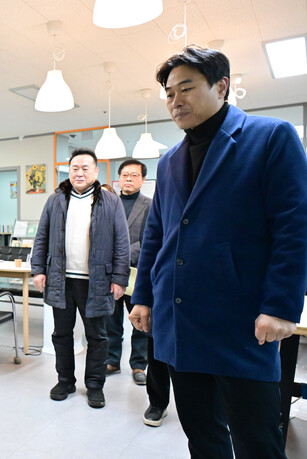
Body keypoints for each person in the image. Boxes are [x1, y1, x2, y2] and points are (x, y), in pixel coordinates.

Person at [129, 46, 307, 458]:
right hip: (180, 321)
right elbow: (157, 235)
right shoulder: (169, 161)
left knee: (257, 441)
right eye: (169, 94)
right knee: (203, 437)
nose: (175, 101)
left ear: (222, 86)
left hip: (241, 324)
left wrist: (281, 306)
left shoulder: (270, 137)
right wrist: (143, 297)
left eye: (186, 88)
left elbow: (294, 227)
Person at [31, 148, 130, 408]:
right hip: (61, 279)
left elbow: (122, 242)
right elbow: (41, 237)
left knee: (97, 336)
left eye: (86, 168)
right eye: (75, 168)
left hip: (96, 281)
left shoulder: (110, 201)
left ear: (96, 171)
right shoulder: (55, 199)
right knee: (61, 334)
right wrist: (38, 270)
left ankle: (95, 384)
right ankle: (65, 380)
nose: (79, 173)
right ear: (69, 170)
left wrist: (119, 278)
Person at [105, 159, 151, 385]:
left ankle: (138, 365)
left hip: (137, 273)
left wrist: (120, 253)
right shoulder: (108, 203)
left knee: (140, 320)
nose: (129, 179)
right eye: (125, 175)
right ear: (119, 179)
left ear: (143, 179)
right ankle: (112, 360)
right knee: (111, 320)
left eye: (134, 175)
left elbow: (150, 240)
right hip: (110, 274)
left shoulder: (150, 205)